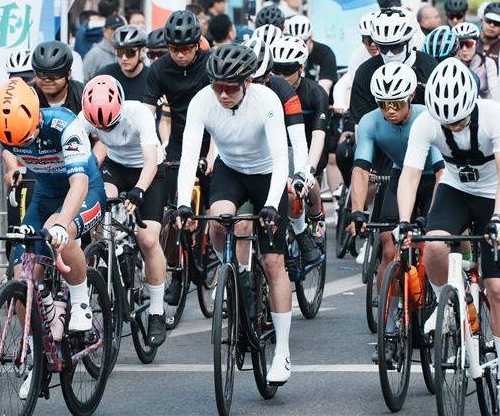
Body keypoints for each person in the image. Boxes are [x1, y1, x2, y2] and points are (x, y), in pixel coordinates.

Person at [395, 58, 500, 415]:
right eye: (446, 121)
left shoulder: (496, 116)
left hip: (497, 195)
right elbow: (409, 175)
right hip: (455, 190)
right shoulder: (425, 122)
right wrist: (405, 222)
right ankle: (444, 303)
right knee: (433, 244)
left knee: (498, 289)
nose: (453, 125)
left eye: (460, 119)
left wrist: (498, 218)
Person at [0, 78, 105, 396]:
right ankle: (36, 358)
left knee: (62, 229)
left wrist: (61, 224)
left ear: (36, 115)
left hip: (83, 190)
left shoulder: (63, 124)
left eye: (27, 137)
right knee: (22, 277)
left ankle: (80, 303)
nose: (22, 145)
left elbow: (80, 184)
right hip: (44, 195)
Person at [173, 44, 294, 384]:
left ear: (248, 82)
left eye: (230, 87)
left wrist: (271, 204)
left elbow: (281, 159)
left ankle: (282, 351)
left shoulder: (267, 102)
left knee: (273, 263)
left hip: (267, 174)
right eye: (217, 86)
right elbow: (187, 156)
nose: (223, 94)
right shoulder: (202, 101)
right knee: (217, 222)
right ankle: (237, 274)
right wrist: (184, 201)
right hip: (231, 171)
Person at [347, 62, 442, 362]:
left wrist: (435, 213)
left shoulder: (428, 118)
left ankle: (444, 301)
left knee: (436, 243)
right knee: (389, 248)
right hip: (402, 177)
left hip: (433, 179)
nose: (389, 110)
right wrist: (357, 212)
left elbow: (441, 172)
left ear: (411, 96)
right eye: (382, 103)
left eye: (396, 103)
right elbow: (361, 169)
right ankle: (389, 333)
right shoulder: (370, 122)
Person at [79, 75, 168, 345]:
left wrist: (140, 190)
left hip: (148, 171)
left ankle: (156, 309)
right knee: (98, 203)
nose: (105, 128)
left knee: (148, 240)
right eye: (98, 126)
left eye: (110, 123)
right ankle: (112, 249)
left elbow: (151, 161)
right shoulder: (84, 116)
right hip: (116, 168)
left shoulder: (138, 113)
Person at [143, 10, 212, 201]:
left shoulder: (211, 64)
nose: (180, 55)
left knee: (214, 215)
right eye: (173, 49)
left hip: (211, 140)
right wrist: (152, 145)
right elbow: (147, 114)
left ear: (198, 45)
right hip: (179, 142)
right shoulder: (158, 69)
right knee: (171, 206)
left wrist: (214, 153)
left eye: (186, 49)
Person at [269, 36, 329, 245]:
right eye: (277, 70)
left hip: (308, 146)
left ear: (301, 67)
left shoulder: (316, 93)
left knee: (306, 176)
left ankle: (315, 216)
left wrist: (308, 169)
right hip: (276, 147)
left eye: (288, 71)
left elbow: (318, 135)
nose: (282, 76)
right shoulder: (267, 90)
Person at [348, 8, 438, 129]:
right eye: (383, 48)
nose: (389, 54)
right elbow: (361, 124)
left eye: (396, 47)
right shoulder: (365, 72)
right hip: (381, 139)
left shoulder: (429, 66)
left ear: (410, 43)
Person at [285, 15, 338, 95]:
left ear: (311, 38)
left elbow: (323, 91)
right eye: (294, 43)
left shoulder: (325, 54)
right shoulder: (286, 54)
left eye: (303, 42)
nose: (299, 47)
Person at [452, 22, 500, 103]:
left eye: (469, 44)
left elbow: (495, 90)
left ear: (477, 43)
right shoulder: (452, 64)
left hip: (484, 108)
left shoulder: (488, 63)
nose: (464, 49)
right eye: (460, 45)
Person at [97, 25, 148, 101]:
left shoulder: (151, 78)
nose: (124, 58)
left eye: (130, 53)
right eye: (120, 52)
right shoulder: (105, 75)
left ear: (142, 51)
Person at [32, 40, 84, 114]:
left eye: (54, 75)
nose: (47, 80)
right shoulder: (27, 97)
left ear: (68, 74)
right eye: (42, 74)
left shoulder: (82, 96)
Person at [82, 14, 125, 79]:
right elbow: (84, 80)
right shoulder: (94, 53)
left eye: (121, 29)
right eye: (114, 29)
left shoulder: (126, 52)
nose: (118, 32)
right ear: (105, 31)